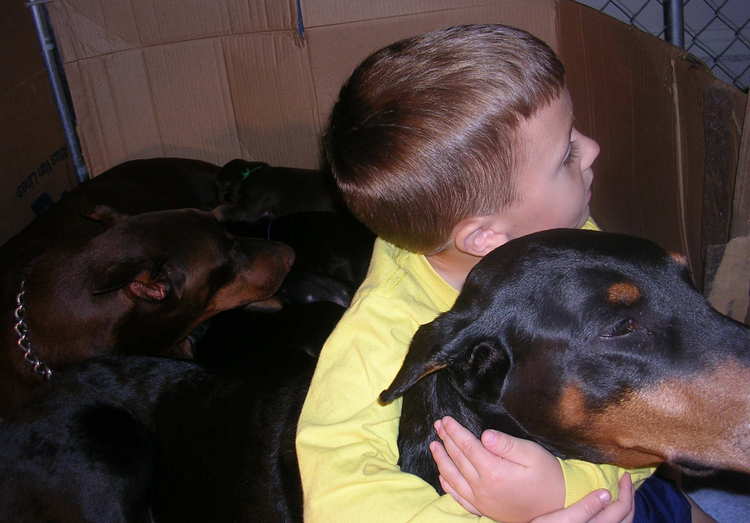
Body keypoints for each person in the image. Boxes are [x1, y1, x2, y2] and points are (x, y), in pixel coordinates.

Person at [295, 24, 697, 522]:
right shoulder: (378, 333)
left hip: (602, 481)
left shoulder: (572, 239)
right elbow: (340, 498)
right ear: (488, 238)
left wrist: (567, 488)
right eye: (565, 155)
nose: (591, 149)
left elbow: (653, 392)